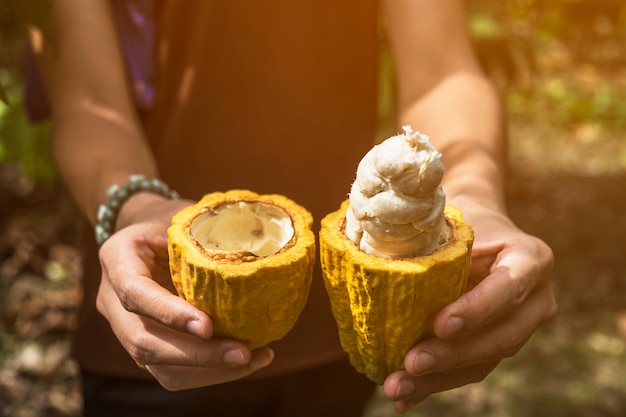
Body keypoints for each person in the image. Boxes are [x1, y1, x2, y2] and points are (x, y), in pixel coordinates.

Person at [29, 0, 557, 415]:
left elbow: (442, 69)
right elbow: (85, 102)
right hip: (158, 321)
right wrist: (135, 205)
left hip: (349, 316)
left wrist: (473, 192)